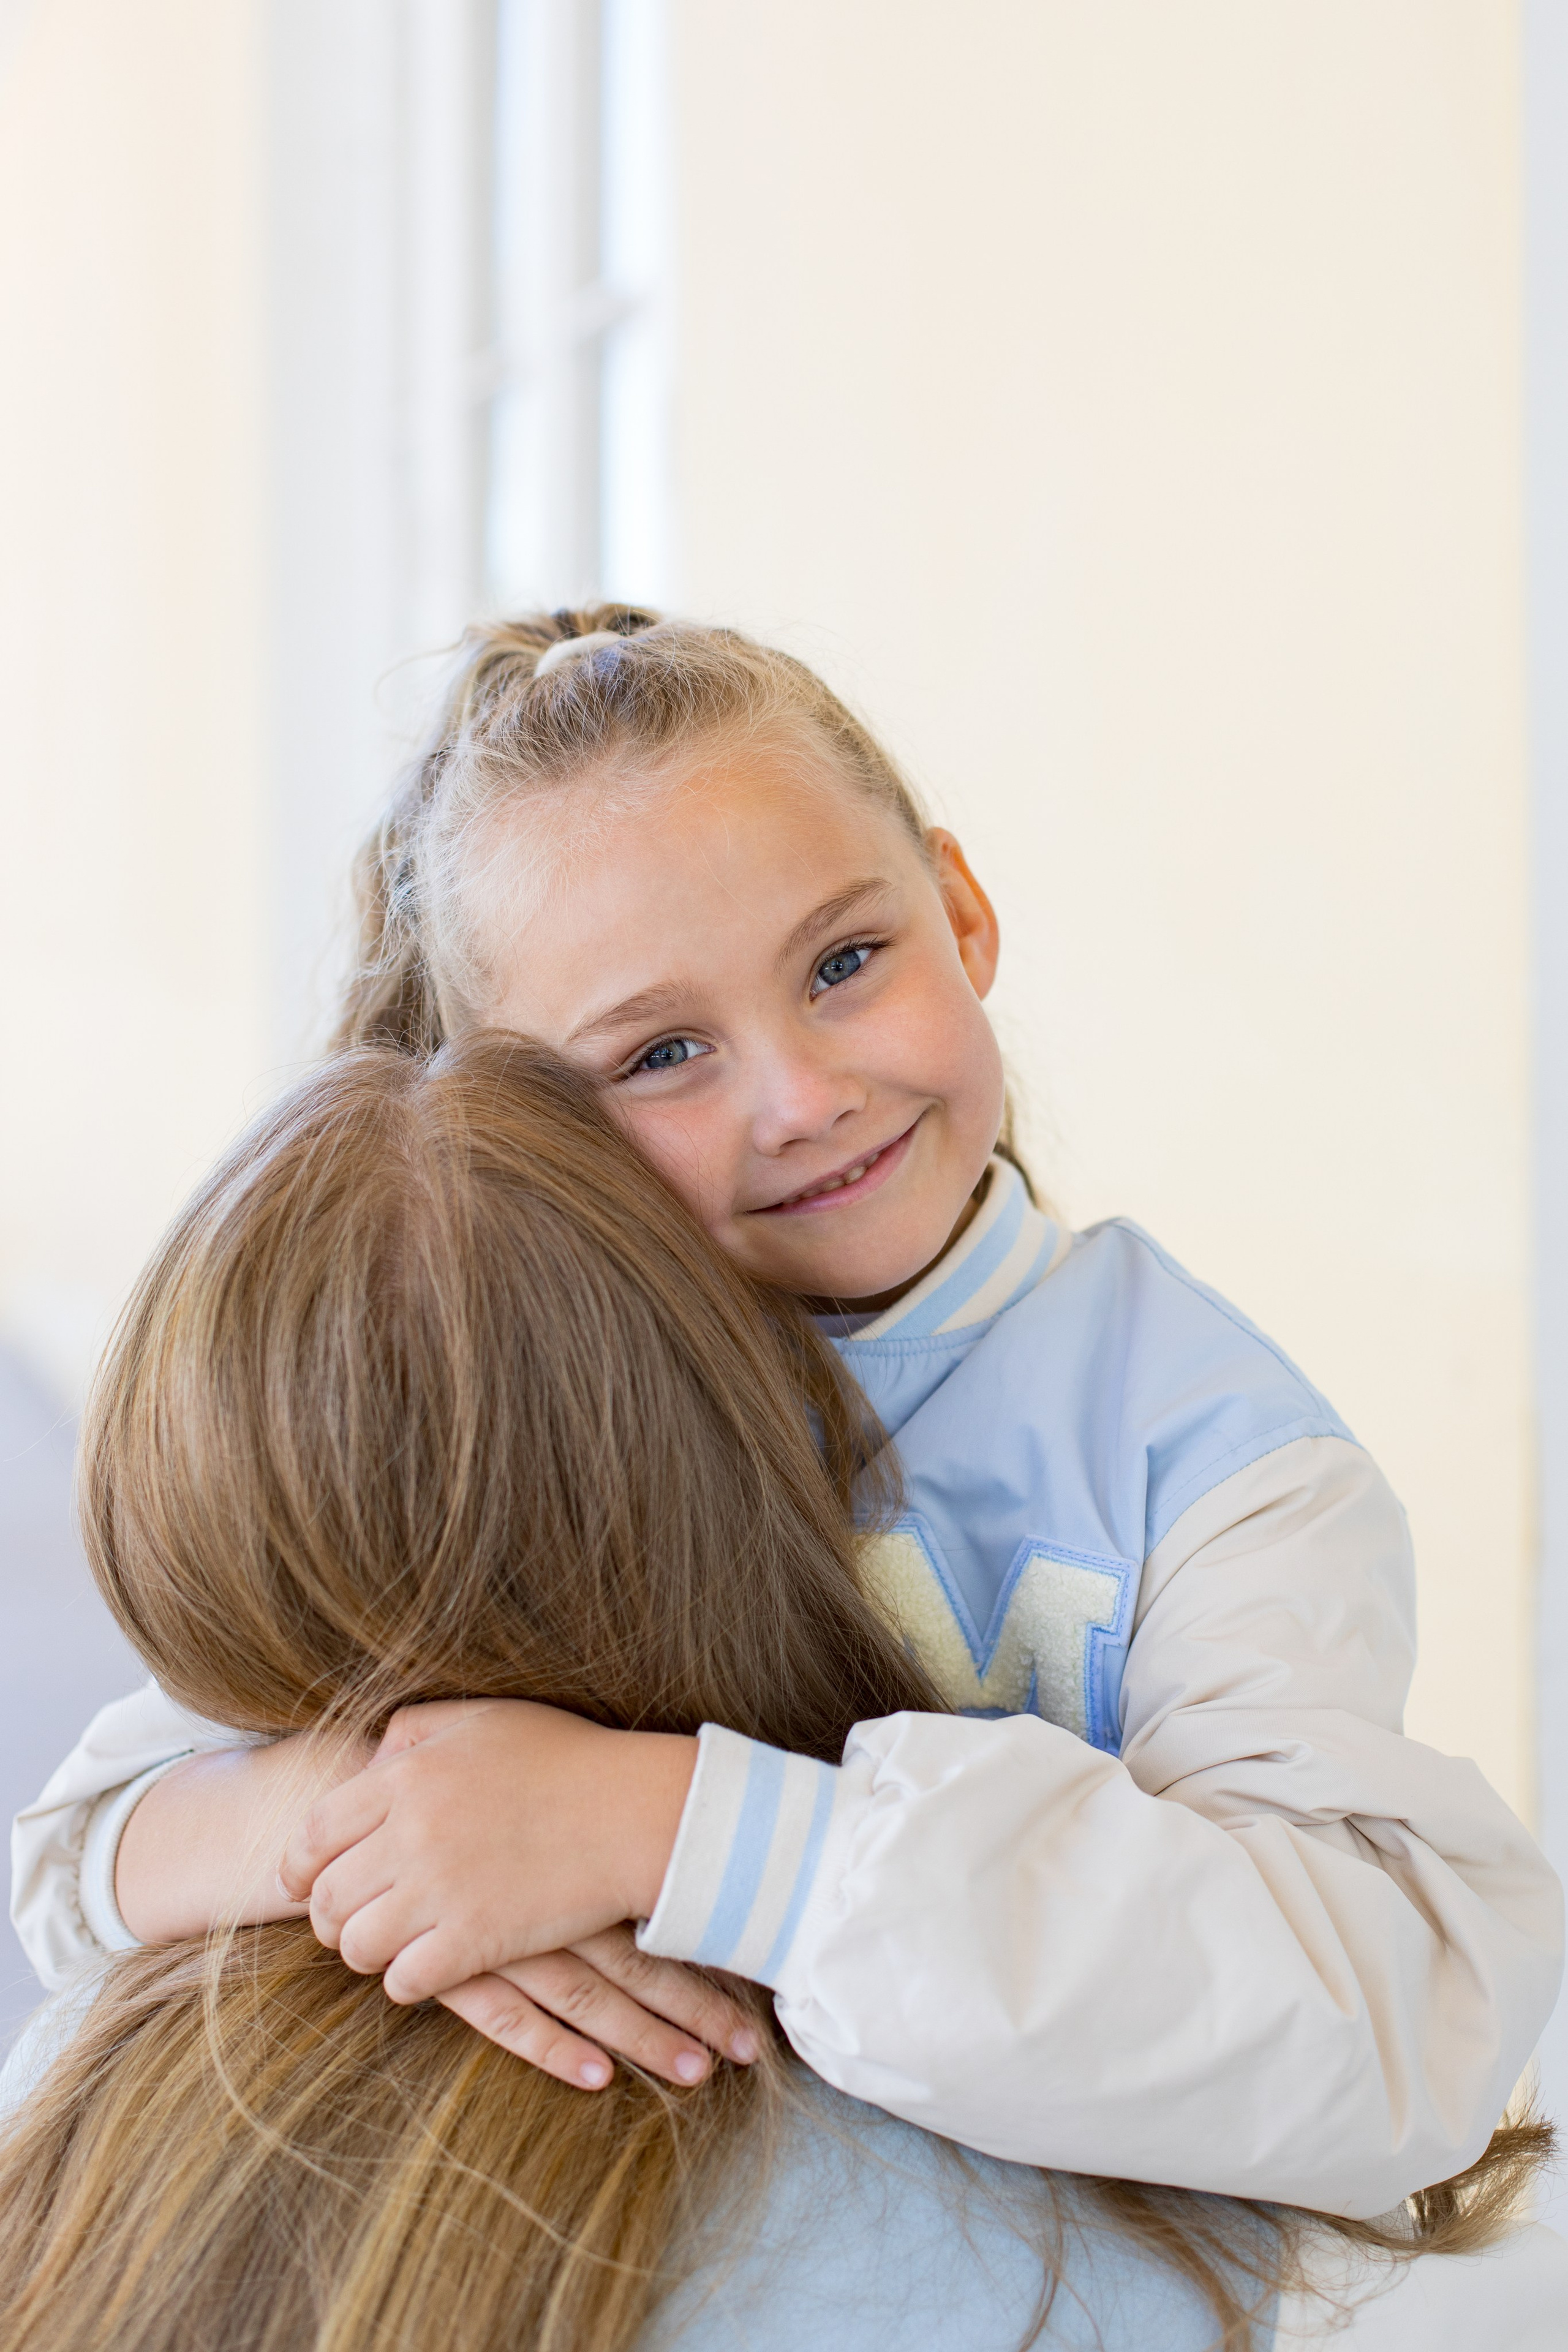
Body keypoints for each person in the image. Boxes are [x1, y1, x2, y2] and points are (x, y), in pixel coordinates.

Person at [13, 611, 1562, 2218]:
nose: (801, 1096)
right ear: (514, 1120)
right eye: (663, 1052)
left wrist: (661, 1830)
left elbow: (1387, 2037)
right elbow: (86, 1852)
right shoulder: (509, 1404)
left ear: (959, 914)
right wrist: (414, 1830)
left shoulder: (1222, 1466)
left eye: (844, 963)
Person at [0, 1035, 1378, 2352]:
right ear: (747, 1460)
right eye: (657, 1058)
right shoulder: (1085, 2235)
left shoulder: (64, 2109)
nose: (794, 1107)